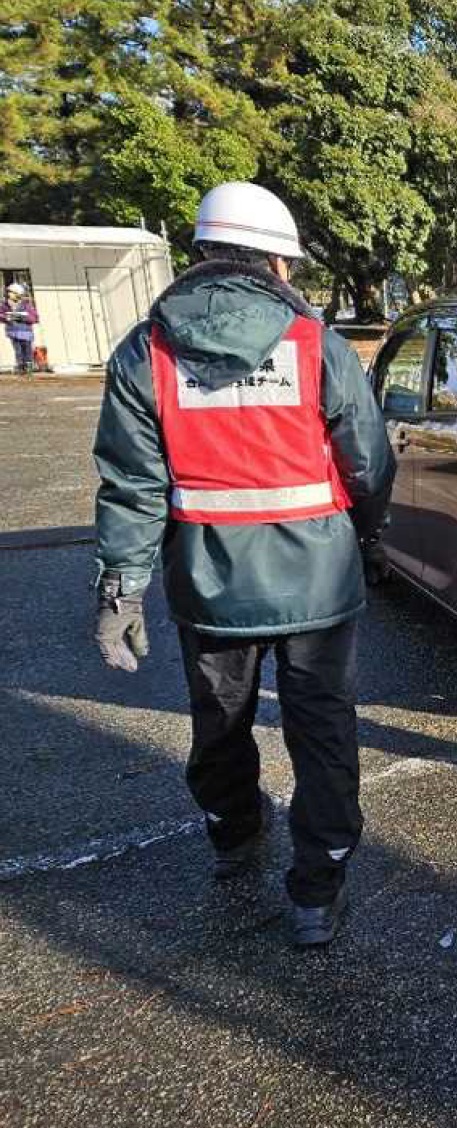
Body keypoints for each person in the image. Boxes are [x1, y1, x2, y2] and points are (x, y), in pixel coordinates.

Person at [91, 181, 394, 946]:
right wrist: (363, 535)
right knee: (322, 731)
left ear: (200, 256)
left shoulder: (145, 351)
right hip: (318, 583)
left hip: (210, 584)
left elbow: (132, 482)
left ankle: (233, 836)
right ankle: (316, 892)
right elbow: (368, 459)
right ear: (277, 264)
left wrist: (122, 589)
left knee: (220, 722)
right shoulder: (315, 344)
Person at [5, 282, 39, 374]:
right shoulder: (6, 305)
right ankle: (21, 367)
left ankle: (28, 369)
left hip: (25, 333)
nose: (9, 294)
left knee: (27, 351)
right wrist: (7, 316)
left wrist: (20, 317)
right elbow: (2, 315)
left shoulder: (26, 305)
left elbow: (34, 318)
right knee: (18, 351)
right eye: (9, 292)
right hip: (13, 333)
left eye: (11, 292)